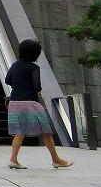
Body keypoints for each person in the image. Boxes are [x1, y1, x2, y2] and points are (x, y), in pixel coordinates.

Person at [4, 38, 73, 169]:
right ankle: (56, 159)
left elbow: (7, 80)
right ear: (35, 54)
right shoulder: (34, 67)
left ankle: (13, 159)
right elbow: (37, 86)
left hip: (14, 103)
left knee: (19, 132)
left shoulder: (14, 65)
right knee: (46, 131)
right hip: (30, 103)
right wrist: (36, 89)